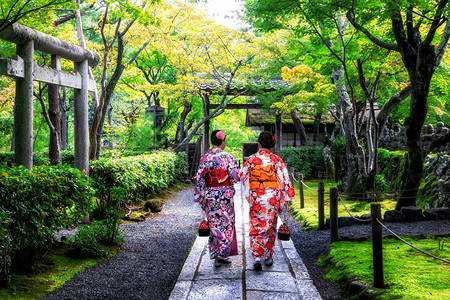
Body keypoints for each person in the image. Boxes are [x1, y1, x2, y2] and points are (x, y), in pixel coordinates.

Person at [239, 131, 295, 271]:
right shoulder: (276, 160)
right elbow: (284, 179)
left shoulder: (251, 159)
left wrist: (251, 189)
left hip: (257, 195)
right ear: (271, 143)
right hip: (272, 196)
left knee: (256, 224)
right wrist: (285, 197)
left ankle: (257, 256)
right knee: (270, 226)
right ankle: (268, 257)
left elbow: (242, 175)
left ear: (259, 143)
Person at [194, 130, 239, 267]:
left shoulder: (204, 158)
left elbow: (200, 179)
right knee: (227, 222)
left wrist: (201, 196)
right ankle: (223, 253)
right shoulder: (228, 157)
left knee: (214, 223)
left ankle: (216, 252)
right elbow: (235, 176)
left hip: (210, 194)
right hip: (225, 195)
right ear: (223, 141)